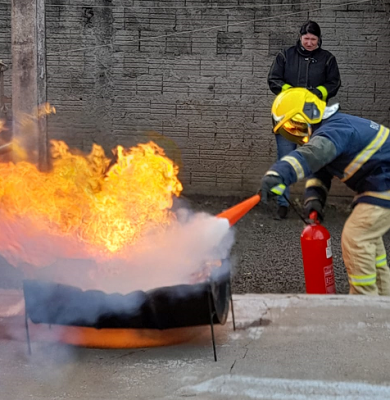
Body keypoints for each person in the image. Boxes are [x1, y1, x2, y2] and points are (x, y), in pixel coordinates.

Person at [259, 87, 390, 295]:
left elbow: (312, 156)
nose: (297, 134)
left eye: (296, 126)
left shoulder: (333, 130)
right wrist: (314, 200)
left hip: (383, 183)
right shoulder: (335, 128)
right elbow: (320, 172)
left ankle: (364, 305)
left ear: (309, 113)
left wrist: (278, 174)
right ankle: (384, 303)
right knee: (370, 241)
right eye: (291, 130)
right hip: (379, 184)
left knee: (356, 237)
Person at [267, 20, 341, 219]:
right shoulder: (285, 55)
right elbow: (273, 80)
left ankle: (313, 206)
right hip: (288, 119)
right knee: (285, 161)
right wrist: (293, 93)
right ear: (300, 37)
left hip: (315, 119)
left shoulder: (328, 59)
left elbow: (334, 83)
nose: (309, 43)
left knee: (314, 161)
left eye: (313, 39)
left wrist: (317, 92)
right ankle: (283, 205)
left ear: (319, 40)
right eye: (306, 38)